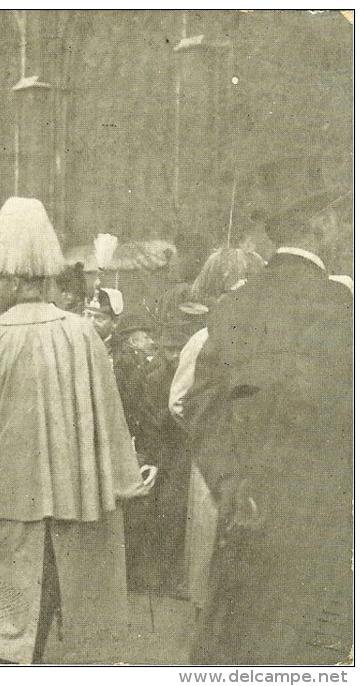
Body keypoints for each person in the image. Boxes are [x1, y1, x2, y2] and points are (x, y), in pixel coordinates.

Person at [0, 197, 156, 664]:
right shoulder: (81, 333)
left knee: (1, 622)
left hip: (4, 500)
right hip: (73, 496)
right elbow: (108, 416)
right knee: (63, 604)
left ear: (8, 273)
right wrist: (126, 481)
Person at [190, 158, 351, 665]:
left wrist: (230, 482)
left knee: (239, 648)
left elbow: (201, 406)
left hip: (247, 516)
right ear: (321, 225)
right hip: (327, 525)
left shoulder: (234, 306)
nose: (343, 227)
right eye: (338, 217)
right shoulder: (343, 309)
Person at [166, 247, 264, 615]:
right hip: (211, 456)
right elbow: (178, 401)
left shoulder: (264, 338)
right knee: (208, 544)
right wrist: (205, 432)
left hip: (251, 456)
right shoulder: (203, 340)